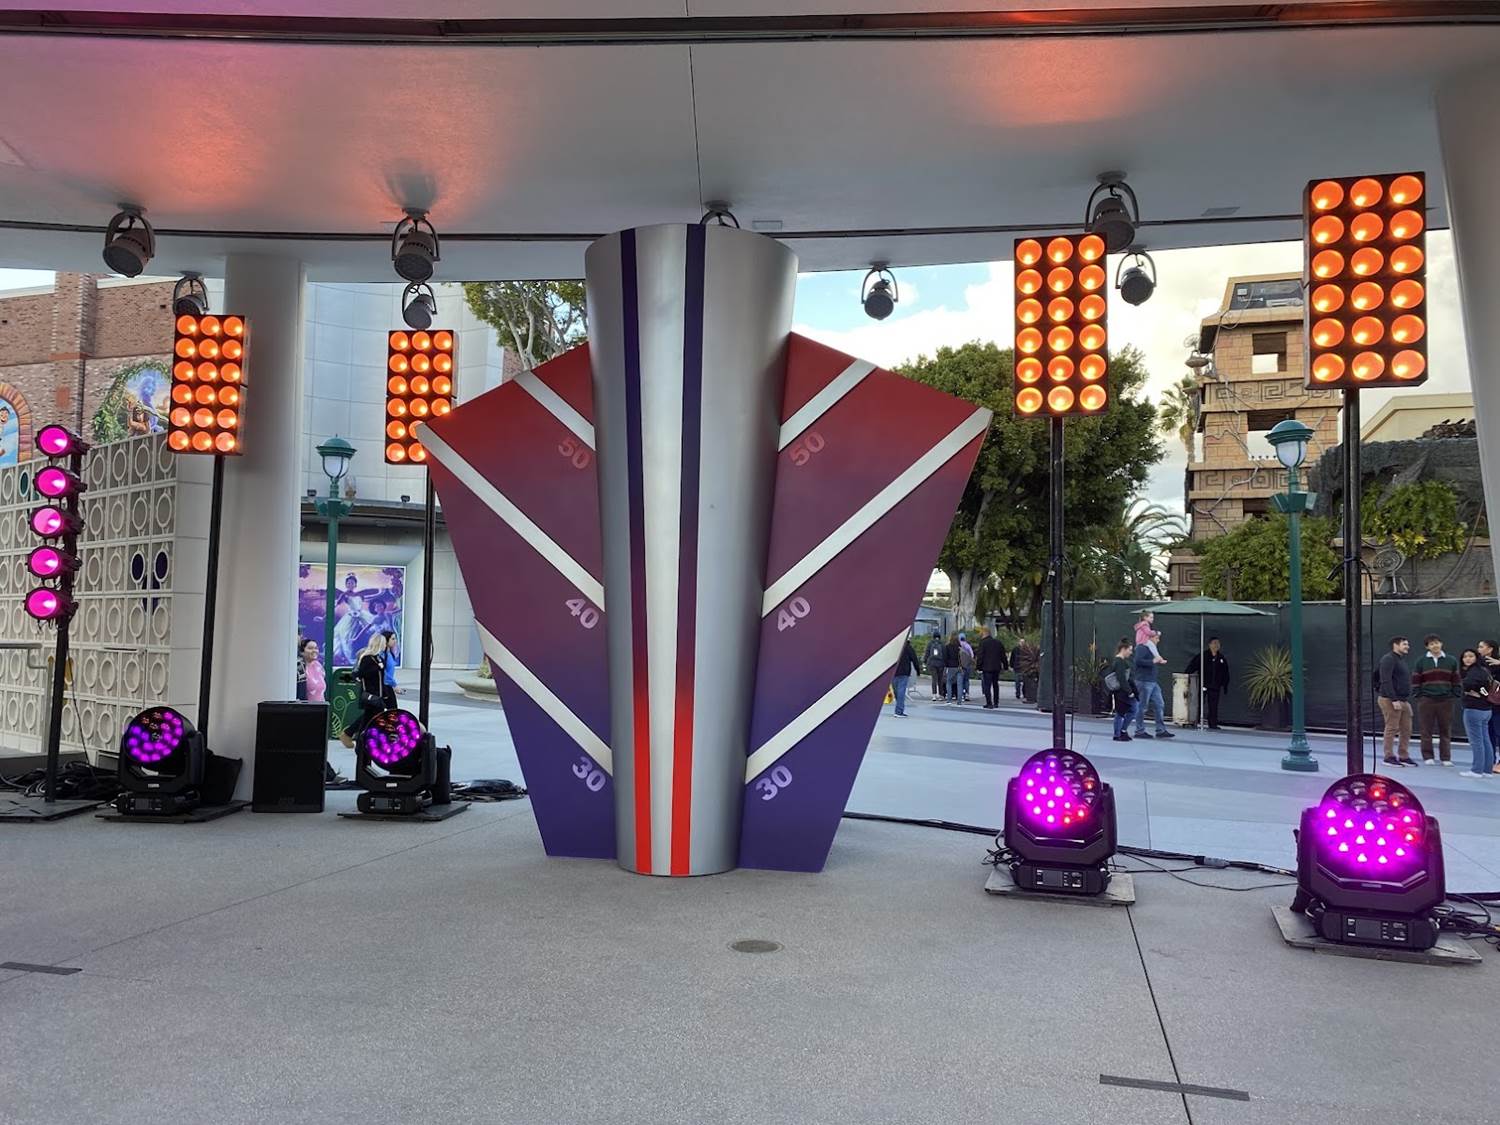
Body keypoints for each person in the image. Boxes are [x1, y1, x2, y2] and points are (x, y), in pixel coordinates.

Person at [1412, 633, 1460, 765]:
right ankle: (1428, 757)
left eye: (1437, 643)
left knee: (1445, 730)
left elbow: (1456, 679)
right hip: (1426, 700)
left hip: (1446, 700)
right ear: (1427, 647)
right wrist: (1419, 695)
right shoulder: (1421, 661)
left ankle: (1446, 758)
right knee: (1426, 729)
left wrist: (1454, 694)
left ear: (1441, 644)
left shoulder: (1451, 660)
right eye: (1432, 644)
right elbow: (1416, 680)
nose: (1435, 646)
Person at [340, 632, 388, 748]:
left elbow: (381, 678)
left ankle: (351, 735)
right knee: (371, 718)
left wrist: (385, 693)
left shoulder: (378, 658)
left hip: (378, 693)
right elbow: (361, 674)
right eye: (384, 643)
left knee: (369, 717)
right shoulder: (367, 658)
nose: (385, 645)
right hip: (370, 694)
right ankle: (356, 739)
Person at [1376, 636, 1414, 766]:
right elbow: (1385, 680)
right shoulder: (1388, 659)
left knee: (1406, 729)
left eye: (1407, 644)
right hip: (1390, 699)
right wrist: (1393, 699)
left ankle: (1403, 756)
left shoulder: (1401, 660)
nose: (1407, 647)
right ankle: (1388, 756)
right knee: (1392, 727)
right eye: (1404, 644)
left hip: (1403, 700)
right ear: (1395, 645)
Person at [1457, 648, 1495, 779]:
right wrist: (1481, 694)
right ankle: (1487, 770)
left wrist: (1469, 690)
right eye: (1465, 657)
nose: (1467, 659)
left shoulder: (1473, 672)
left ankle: (1477, 770)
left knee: (1476, 741)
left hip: (1473, 709)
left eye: (1470, 656)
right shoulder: (1485, 671)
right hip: (1486, 710)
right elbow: (1486, 689)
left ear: (1476, 657)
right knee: (1485, 740)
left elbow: (1467, 684)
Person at [1131, 638, 1174, 739]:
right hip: (1143, 681)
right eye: (1156, 638)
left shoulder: (1152, 648)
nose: (1158, 640)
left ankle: (1160, 730)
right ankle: (1139, 731)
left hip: (1152, 681)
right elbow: (1137, 661)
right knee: (1142, 706)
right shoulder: (1142, 647)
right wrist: (1153, 661)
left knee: (1159, 704)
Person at [1185, 637, 1231, 729]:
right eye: (1214, 643)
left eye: (1218, 643)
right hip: (1203, 684)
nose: (1216, 645)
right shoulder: (1203, 656)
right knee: (1198, 703)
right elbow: (1192, 666)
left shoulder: (1221, 658)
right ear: (1209, 645)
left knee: (1213, 706)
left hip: (1215, 686)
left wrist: (1225, 685)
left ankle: (1213, 724)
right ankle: (1194, 721)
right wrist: (1186, 675)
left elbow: (1225, 672)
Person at [1108, 637, 1137, 742]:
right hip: (1122, 692)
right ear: (1123, 649)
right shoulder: (1119, 662)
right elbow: (1121, 678)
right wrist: (1129, 692)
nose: (1131, 652)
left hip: (1123, 691)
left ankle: (1121, 731)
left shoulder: (1120, 661)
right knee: (1122, 712)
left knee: (1129, 710)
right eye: (1129, 650)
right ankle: (1118, 733)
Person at [1479, 639, 1500, 774]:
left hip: (1498, 704)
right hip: (1485, 704)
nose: (1479, 649)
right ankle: (1490, 760)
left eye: (1481, 647)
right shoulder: (1479, 664)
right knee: (1488, 733)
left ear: (1490, 649)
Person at [978, 627, 1007, 709]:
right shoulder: (998, 643)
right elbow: (1003, 656)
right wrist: (1005, 666)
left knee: (987, 685)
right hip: (996, 667)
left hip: (986, 667)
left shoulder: (983, 643)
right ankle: (996, 702)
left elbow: (980, 656)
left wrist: (978, 666)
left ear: (984, 634)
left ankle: (989, 703)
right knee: (995, 685)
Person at [891, 633, 919, 717]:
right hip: (904, 672)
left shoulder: (894, 647)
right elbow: (914, 659)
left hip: (894, 672)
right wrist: (918, 670)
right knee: (901, 691)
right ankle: (899, 711)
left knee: (896, 690)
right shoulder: (908, 647)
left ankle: (899, 708)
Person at [296, 637, 326, 704]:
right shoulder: (299, 668)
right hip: (306, 708)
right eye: (310, 648)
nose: (314, 650)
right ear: (302, 652)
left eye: (316, 648)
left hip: (321, 707)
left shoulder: (319, 666)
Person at [943, 633, 965, 706]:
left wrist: (946, 666)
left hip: (951, 666)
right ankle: (959, 701)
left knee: (949, 682)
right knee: (960, 684)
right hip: (959, 666)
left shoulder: (947, 646)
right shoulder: (959, 647)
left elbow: (945, 657)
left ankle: (949, 700)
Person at [380, 629, 400, 709]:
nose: (395, 641)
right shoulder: (382, 654)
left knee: (392, 708)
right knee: (392, 709)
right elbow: (384, 672)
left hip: (388, 685)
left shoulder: (390, 653)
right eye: (393, 639)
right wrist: (394, 685)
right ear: (386, 640)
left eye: (395, 638)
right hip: (384, 685)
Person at [925, 632, 946, 701]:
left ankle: (934, 695)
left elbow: (927, 653)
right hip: (940, 664)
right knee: (940, 679)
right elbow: (945, 654)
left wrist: (925, 661)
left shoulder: (930, 643)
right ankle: (940, 695)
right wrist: (945, 663)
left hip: (932, 663)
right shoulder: (942, 644)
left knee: (934, 679)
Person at [958, 633, 976, 702]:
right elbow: (972, 655)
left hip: (960, 666)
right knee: (966, 680)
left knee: (960, 681)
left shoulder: (958, 646)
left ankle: (961, 694)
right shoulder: (968, 646)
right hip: (967, 665)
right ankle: (967, 694)